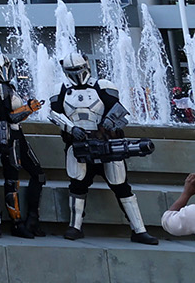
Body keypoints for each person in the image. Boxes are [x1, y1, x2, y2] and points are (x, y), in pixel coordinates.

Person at [54, 51, 157, 244]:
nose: (76, 74)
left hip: (107, 145)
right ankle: (75, 226)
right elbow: (55, 114)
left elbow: (118, 110)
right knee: (77, 185)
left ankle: (139, 229)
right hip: (79, 146)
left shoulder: (102, 86)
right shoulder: (61, 89)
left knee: (121, 186)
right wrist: (72, 128)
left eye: (78, 69)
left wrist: (109, 123)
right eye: (71, 70)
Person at [0, 49, 47, 237]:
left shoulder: (7, 87)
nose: (4, 69)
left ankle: (32, 219)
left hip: (17, 137)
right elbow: (5, 118)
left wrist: (27, 108)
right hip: (6, 138)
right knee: (12, 181)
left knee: (39, 175)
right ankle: (17, 223)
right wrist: (28, 109)